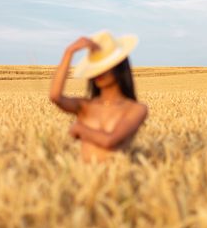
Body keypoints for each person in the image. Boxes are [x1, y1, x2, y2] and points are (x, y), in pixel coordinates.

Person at [49, 30, 148, 163]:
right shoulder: (86, 106)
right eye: (96, 68)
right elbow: (55, 96)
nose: (98, 73)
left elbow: (110, 140)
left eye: (104, 67)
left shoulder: (136, 109)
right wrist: (69, 52)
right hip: (83, 181)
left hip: (118, 180)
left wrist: (80, 129)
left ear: (118, 66)